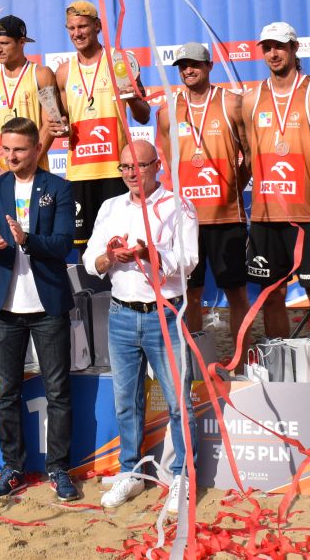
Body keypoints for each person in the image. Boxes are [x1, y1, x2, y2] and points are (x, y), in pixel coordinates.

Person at [83, 140, 200, 515]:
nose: (132, 173)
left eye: (140, 165)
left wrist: (150, 254)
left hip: (164, 314)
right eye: (125, 167)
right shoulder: (110, 206)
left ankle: (183, 476)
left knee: (178, 401)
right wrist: (109, 257)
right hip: (120, 314)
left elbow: (189, 260)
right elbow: (90, 260)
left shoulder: (178, 206)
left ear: (158, 165)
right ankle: (131, 471)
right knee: (126, 402)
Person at [0, 117, 80, 501]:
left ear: (37, 149)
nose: (12, 156)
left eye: (20, 149)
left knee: (58, 391)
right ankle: (12, 467)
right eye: (7, 149)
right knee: (7, 392)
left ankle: (59, 468)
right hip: (5, 307)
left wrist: (28, 239)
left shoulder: (59, 187)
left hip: (48, 304)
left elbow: (64, 243)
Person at [243, 21, 310, 380]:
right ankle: (280, 376)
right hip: (265, 216)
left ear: (294, 48)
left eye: (280, 46)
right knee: (271, 295)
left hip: (308, 217)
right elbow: (248, 155)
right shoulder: (251, 99)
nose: (273, 53)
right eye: (267, 47)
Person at [155, 41, 250, 337]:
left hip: (225, 217)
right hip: (186, 220)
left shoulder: (233, 104)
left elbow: (250, 154)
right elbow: (168, 163)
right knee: (190, 295)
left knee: (236, 293)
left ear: (209, 66)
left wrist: (234, 185)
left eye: (195, 64)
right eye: (183, 66)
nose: (188, 70)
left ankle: (242, 358)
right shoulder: (167, 111)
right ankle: (193, 359)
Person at [55, 1, 150, 249]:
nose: (77, 33)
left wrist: (132, 97)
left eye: (83, 26)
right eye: (72, 28)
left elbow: (144, 115)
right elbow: (62, 120)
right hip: (79, 173)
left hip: (116, 171)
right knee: (84, 249)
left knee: (121, 243)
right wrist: (60, 127)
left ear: (97, 26)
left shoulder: (120, 62)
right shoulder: (63, 72)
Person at [0, 15, 62, 180]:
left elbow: (50, 124)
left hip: (34, 171)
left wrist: (27, 163)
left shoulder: (42, 74)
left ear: (22, 42)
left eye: (4, 43)